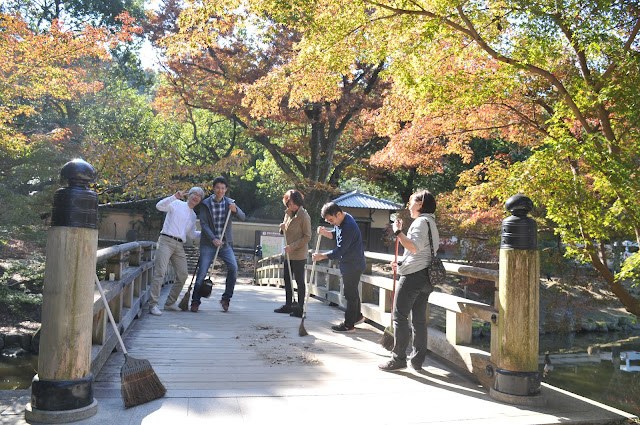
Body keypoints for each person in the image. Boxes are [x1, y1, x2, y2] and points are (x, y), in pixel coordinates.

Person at [378, 190, 438, 371]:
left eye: (411, 202)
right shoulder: (431, 222)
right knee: (419, 320)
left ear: (420, 204)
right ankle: (417, 360)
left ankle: (398, 358)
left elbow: (413, 247)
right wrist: (402, 264)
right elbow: (421, 252)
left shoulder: (420, 222)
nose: (408, 206)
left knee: (399, 316)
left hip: (414, 277)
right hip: (426, 277)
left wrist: (398, 233)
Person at [191, 176, 246, 312]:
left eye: (223, 188)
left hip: (225, 244)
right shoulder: (206, 204)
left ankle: (226, 298)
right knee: (202, 273)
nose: (220, 190)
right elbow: (203, 223)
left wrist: (235, 210)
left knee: (233, 267)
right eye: (217, 188)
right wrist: (213, 239)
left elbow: (243, 216)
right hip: (209, 243)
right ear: (214, 189)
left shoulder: (230, 203)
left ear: (226, 189)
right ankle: (195, 301)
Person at [149, 187, 204, 316]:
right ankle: (153, 304)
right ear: (189, 195)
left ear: (200, 200)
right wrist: (174, 196)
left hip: (179, 245)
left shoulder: (193, 215)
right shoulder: (177, 203)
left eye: (199, 196)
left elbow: (191, 234)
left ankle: (169, 303)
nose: (196, 197)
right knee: (160, 272)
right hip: (166, 241)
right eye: (194, 194)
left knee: (183, 275)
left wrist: (205, 233)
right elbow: (159, 206)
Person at [312, 202, 366, 332]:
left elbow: (339, 251)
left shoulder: (348, 226)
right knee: (352, 292)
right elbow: (336, 235)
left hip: (353, 264)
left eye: (331, 220)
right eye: (328, 221)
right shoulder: (342, 220)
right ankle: (357, 316)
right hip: (351, 263)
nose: (331, 223)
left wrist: (321, 256)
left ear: (338, 214)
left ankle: (349, 325)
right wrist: (325, 233)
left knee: (350, 294)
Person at [274, 190, 311, 317]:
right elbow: (284, 230)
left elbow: (307, 237)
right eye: (288, 204)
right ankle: (288, 304)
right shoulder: (288, 213)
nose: (291, 206)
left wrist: (293, 246)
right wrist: (281, 228)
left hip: (299, 253)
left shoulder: (304, 216)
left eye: (293, 204)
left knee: (299, 281)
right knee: (287, 279)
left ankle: (300, 308)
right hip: (288, 253)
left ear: (298, 202)